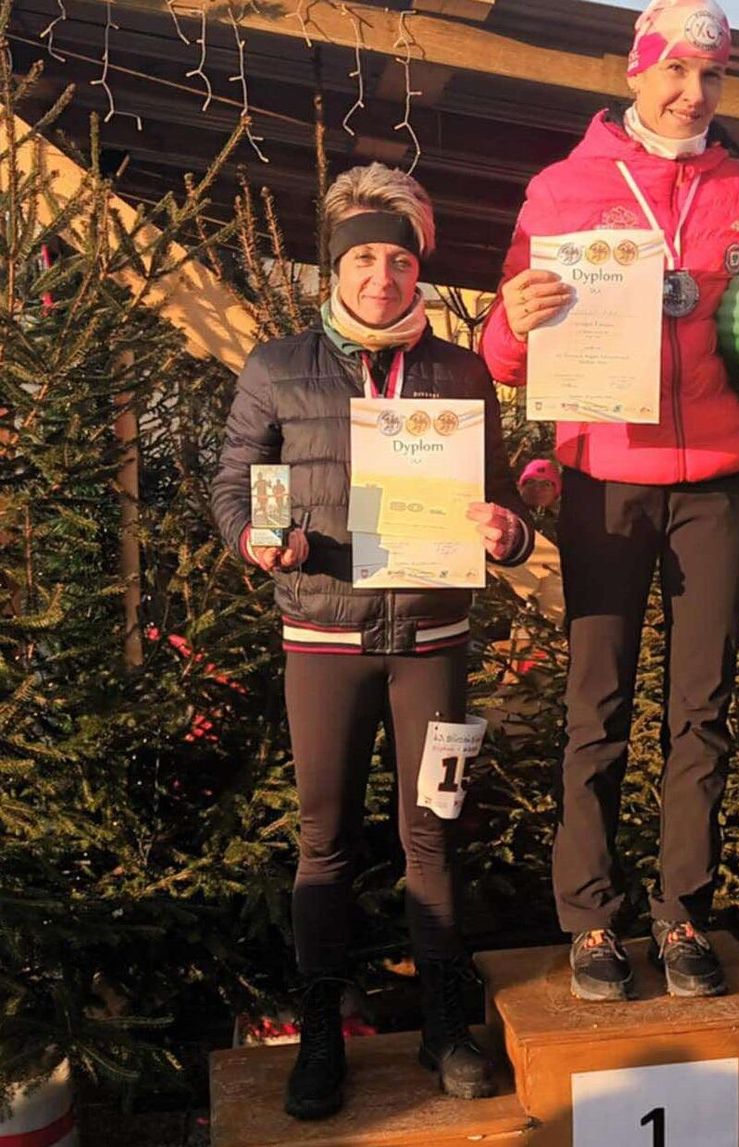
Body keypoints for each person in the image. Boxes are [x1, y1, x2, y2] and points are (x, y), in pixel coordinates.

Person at [481, 0, 739, 1003]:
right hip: (606, 474)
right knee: (597, 704)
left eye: (712, 76)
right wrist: (511, 322)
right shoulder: (561, 189)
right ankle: (591, 918)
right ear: (635, 70)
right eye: (676, 72)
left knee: (703, 709)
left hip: (720, 482)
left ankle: (683, 909)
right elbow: (504, 352)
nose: (694, 93)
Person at [212, 163, 537, 1120]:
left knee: (434, 828)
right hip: (323, 635)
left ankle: (443, 1024)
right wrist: (256, 537)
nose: (382, 277)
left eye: (399, 260)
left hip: (434, 641)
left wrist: (509, 531)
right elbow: (236, 480)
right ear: (337, 267)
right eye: (363, 260)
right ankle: (321, 1029)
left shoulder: (460, 372)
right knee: (325, 839)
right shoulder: (277, 367)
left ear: (417, 269)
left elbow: (499, 495)